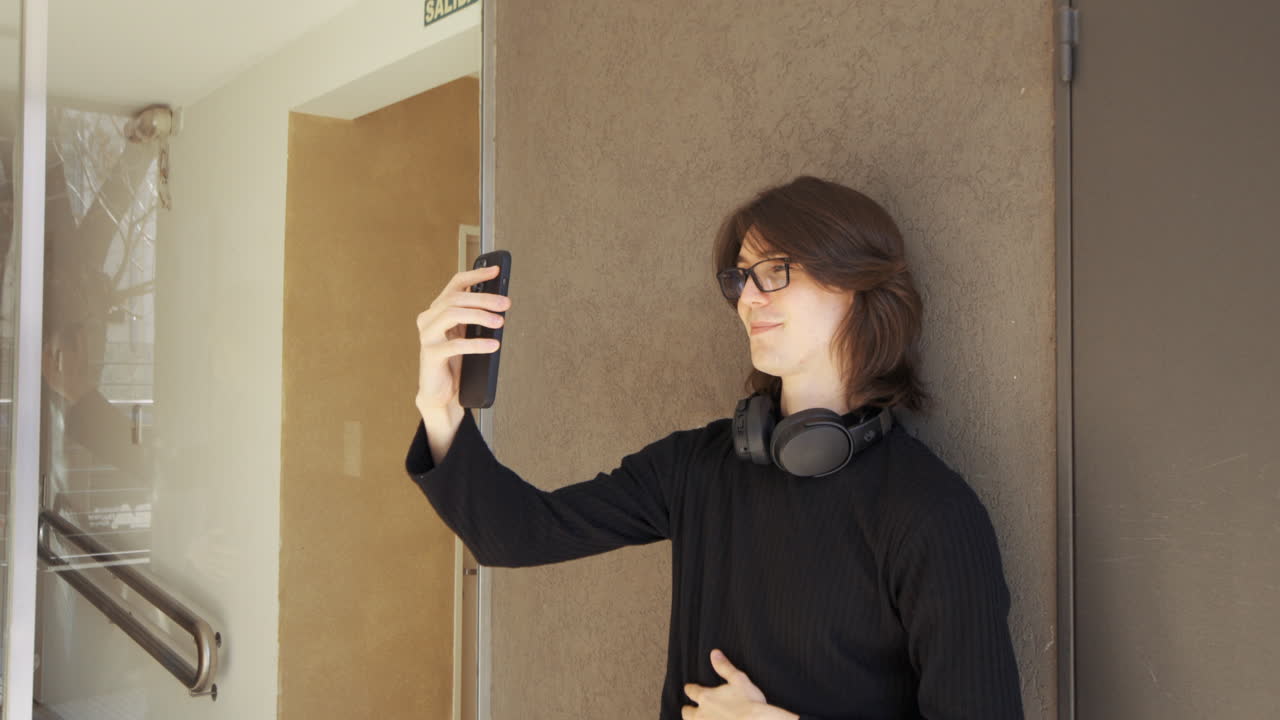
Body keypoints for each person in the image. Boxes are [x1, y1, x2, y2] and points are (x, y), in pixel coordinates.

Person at [405, 176, 1023, 719]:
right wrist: (440, 406)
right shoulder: (697, 468)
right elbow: (515, 533)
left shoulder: (931, 513)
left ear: (856, 282)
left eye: (776, 271)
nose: (748, 299)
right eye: (742, 278)